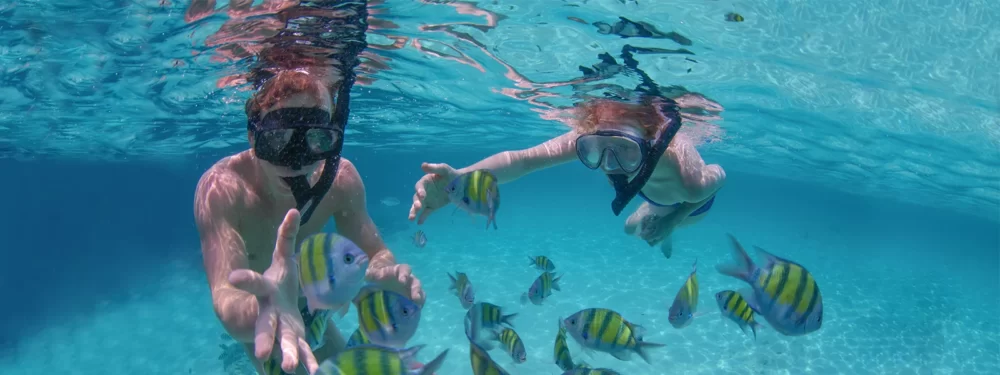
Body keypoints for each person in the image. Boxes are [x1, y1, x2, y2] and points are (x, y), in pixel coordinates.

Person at [192, 1, 424, 375]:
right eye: (278, 139)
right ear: (252, 136)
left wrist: (385, 272)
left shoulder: (341, 180)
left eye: (317, 138)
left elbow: (376, 253)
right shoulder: (223, 189)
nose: (297, 160)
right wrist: (262, 308)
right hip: (260, 316)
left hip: (313, 306)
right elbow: (225, 296)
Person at [408, 49, 725, 258]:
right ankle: (661, 223)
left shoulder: (686, 178)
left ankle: (669, 228)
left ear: (651, 144)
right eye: (597, 150)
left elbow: (718, 179)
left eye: (626, 152)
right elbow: (523, 160)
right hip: (655, 195)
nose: (611, 165)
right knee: (631, 229)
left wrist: (674, 221)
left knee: (650, 227)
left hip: (693, 205)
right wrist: (460, 180)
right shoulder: (600, 136)